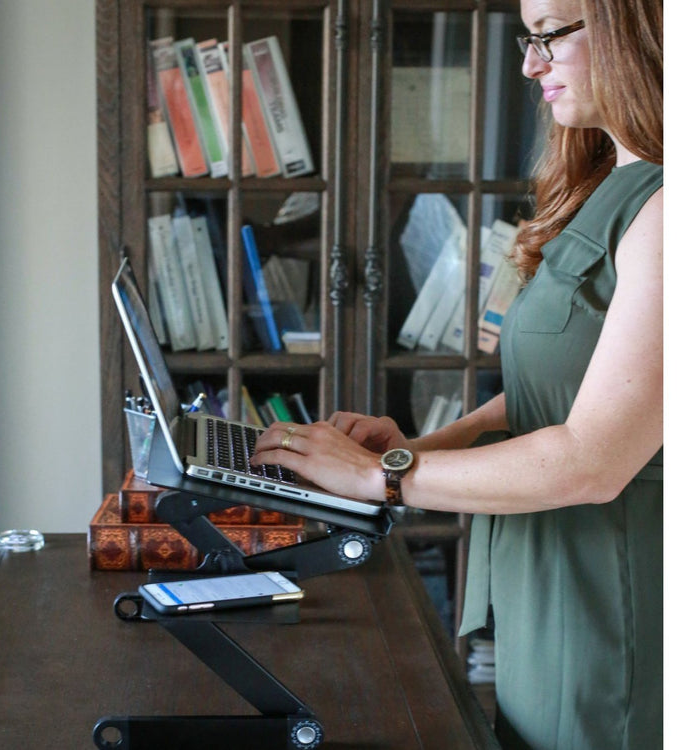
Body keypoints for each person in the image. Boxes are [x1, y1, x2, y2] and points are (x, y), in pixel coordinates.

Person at [251, 0, 663, 747]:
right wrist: (423, 444)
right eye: (525, 40)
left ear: (637, 27)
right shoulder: (612, 185)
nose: (531, 65)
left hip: (612, 597)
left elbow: (595, 460)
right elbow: (569, 383)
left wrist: (384, 479)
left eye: (549, 37)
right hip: (554, 577)